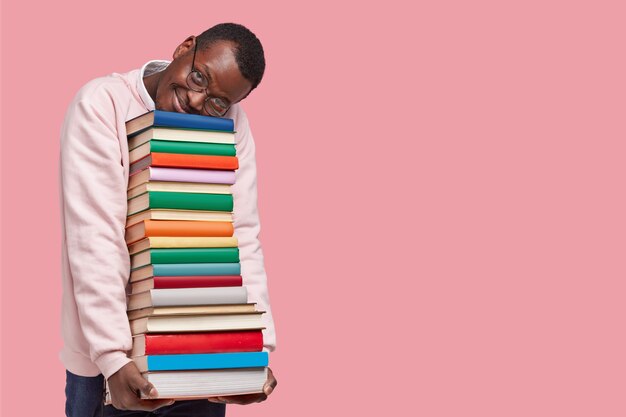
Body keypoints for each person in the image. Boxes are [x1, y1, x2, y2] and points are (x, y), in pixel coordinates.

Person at [59, 23, 277, 417]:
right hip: (115, 367)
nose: (196, 101)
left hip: (206, 354)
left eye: (217, 102)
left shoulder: (232, 122)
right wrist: (112, 358)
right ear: (185, 47)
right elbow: (96, 237)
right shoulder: (102, 104)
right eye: (199, 77)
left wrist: (255, 348)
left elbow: (240, 233)